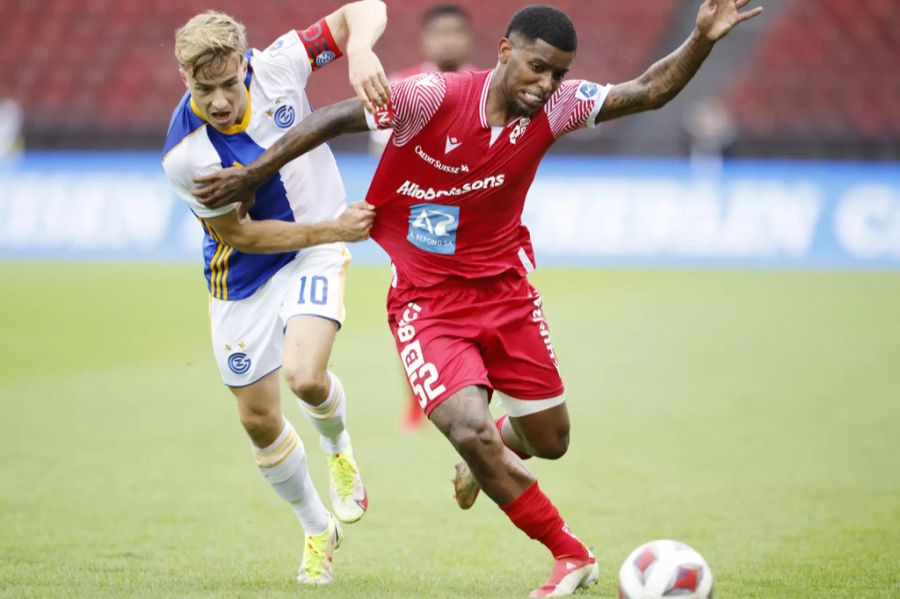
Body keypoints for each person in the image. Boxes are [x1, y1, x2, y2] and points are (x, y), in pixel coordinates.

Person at [190, 2, 763, 595]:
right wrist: (253, 174)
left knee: (551, 441)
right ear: (505, 52)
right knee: (468, 427)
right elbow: (335, 117)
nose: (547, 85)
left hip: (506, 291)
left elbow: (648, 91)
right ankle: (571, 553)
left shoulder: (560, 107)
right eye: (538, 67)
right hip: (426, 300)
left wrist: (700, 37)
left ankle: (484, 460)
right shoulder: (432, 97)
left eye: (558, 74)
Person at [161, 1, 390, 585]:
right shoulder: (186, 156)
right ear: (186, 79)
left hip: (312, 249)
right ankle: (317, 528)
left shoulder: (282, 65)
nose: (218, 100)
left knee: (306, 378)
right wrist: (336, 228)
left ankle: (338, 449)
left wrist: (359, 50)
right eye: (203, 88)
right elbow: (242, 233)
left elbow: (365, 9)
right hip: (243, 275)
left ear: (246, 66)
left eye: (229, 83)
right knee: (259, 420)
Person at [369, 3, 476, 431]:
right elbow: (385, 153)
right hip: (426, 213)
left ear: (468, 39)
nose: (448, 41)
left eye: (456, 33)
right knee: (422, 308)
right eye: (440, 33)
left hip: (478, 214)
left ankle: (471, 388)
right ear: (426, 40)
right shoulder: (402, 86)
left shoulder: (490, 87)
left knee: (480, 303)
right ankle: (420, 393)